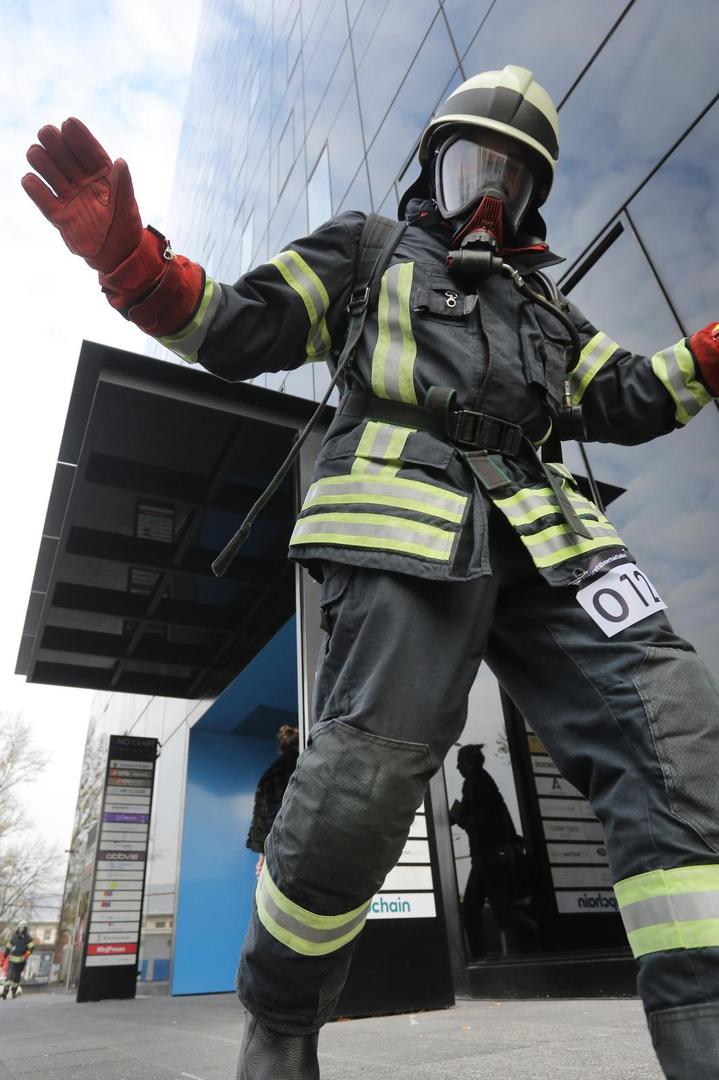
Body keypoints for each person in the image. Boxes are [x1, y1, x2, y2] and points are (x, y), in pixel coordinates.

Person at [21, 64, 719, 1079]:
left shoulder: (542, 306)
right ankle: (282, 1021)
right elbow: (234, 324)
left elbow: (624, 396)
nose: (488, 193)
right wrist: (131, 260)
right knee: (362, 781)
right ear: (429, 167)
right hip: (402, 506)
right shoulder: (366, 247)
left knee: (677, 734)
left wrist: (702, 353)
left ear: (529, 202)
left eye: (511, 180)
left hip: (551, 532)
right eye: (472, 164)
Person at [450, 744, 536, 957]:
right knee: (498, 910)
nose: (457, 767)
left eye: (459, 762)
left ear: (468, 764)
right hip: (492, 859)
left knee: (475, 910)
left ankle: (480, 958)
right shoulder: (483, 781)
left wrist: (457, 816)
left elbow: (478, 822)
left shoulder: (474, 782)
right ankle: (531, 943)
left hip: (489, 860)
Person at [246, 725, 300, 879]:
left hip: (278, 851)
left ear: (281, 749)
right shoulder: (304, 765)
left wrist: (262, 858)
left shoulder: (268, 776)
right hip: (305, 844)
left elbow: (260, 824)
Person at [1, 924, 34, 1000]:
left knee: (16, 977)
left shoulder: (27, 938)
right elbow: (8, 948)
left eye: (24, 928)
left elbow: (32, 947)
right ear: (18, 928)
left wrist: (26, 955)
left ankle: (13, 992)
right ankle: (4, 993)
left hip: (21, 962)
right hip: (12, 961)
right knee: (9, 975)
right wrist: (3, 958)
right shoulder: (14, 937)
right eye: (21, 928)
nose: (22, 930)